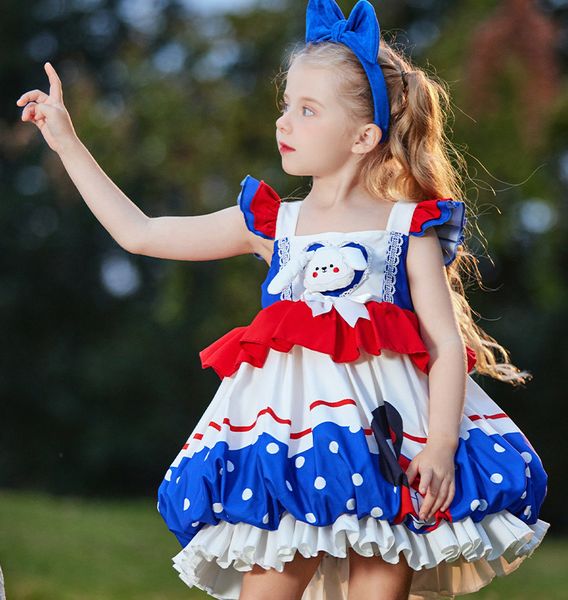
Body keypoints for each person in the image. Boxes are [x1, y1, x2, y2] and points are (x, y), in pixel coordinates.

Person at [16, 1, 550, 599]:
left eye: (306, 109)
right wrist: (65, 141)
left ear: (363, 136)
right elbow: (140, 232)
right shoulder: (273, 225)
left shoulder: (409, 229)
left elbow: (445, 346)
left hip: (394, 450)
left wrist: (442, 448)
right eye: (285, 106)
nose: (284, 123)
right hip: (289, 455)